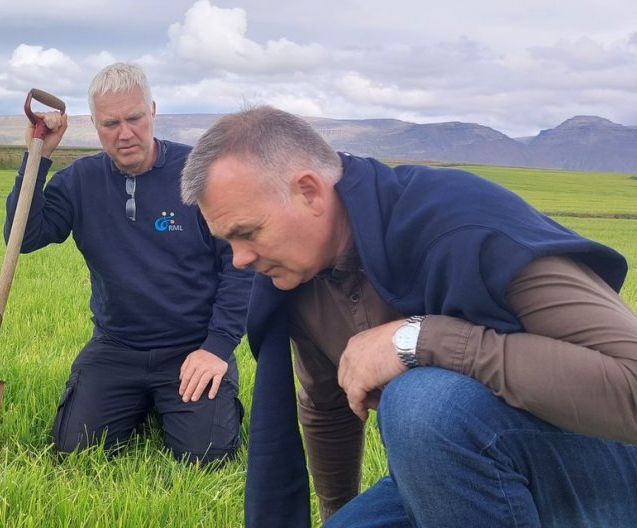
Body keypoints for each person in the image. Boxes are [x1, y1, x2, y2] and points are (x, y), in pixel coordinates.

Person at [180, 105, 637, 527]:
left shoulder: (466, 224)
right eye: (228, 242)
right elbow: (327, 406)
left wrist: (420, 341)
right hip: (474, 474)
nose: (239, 259)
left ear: (308, 191)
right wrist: (339, 512)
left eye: (248, 232)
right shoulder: (300, 279)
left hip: (603, 461)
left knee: (423, 404)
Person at [3, 62, 252, 463]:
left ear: (152, 110)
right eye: (110, 123)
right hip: (116, 347)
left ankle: (181, 403)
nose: (125, 133)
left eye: (135, 118)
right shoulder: (80, 181)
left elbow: (240, 267)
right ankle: (139, 401)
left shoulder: (199, 175)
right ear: (95, 125)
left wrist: (217, 348)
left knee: (206, 457)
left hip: (190, 347)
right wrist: (39, 156)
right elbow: (24, 238)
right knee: (74, 452)